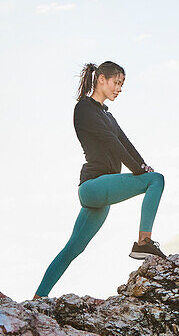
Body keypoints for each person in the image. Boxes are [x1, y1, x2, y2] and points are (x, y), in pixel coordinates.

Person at [34, 61, 167, 299]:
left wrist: (144, 165)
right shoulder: (84, 108)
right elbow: (110, 142)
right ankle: (143, 242)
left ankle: (37, 299)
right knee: (156, 181)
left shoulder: (108, 115)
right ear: (102, 79)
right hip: (93, 185)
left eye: (122, 84)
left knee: (73, 249)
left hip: (101, 194)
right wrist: (140, 171)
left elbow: (125, 142)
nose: (119, 88)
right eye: (117, 82)